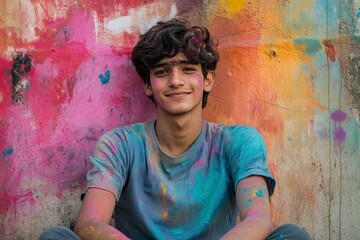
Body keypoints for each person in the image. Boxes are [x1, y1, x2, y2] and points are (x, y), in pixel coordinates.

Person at [39, 19, 311, 240]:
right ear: (148, 85)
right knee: (56, 237)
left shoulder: (237, 141)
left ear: (207, 79)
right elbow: (89, 223)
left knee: (293, 236)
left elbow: (258, 218)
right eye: (162, 72)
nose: (176, 81)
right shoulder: (119, 145)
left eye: (188, 69)